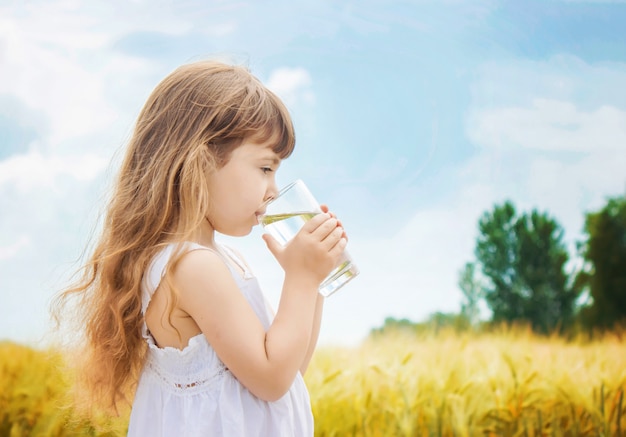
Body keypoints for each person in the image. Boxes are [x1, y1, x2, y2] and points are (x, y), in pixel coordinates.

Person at [52, 60, 348, 436]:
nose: (274, 190)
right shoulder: (191, 267)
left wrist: (315, 280)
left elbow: (289, 374)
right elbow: (272, 380)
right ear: (201, 159)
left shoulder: (221, 261)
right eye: (265, 168)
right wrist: (301, 279)